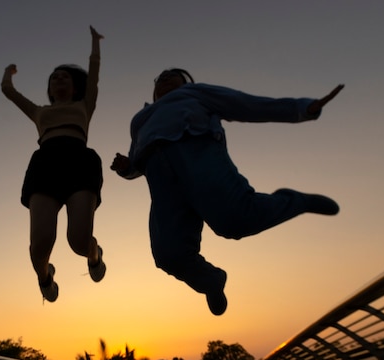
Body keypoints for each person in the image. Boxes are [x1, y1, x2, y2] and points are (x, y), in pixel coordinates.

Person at [111, 68, 344, 316]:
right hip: (160, 179)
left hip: (198, 156)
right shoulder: (139, 119)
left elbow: (244, 104)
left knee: (236, 219)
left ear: (187, 82)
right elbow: (136, 162)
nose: (165, 78)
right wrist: (127, 168)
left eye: (173, 75)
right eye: (160, 78)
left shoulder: (194, 93)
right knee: (169, 254)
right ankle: (211, 282)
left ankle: (296, 202)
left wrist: (302, 108)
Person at [1, 26, 106, 303]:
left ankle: (95, 255)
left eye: (65, 77)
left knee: (79, 242)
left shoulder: (85, 104)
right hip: (45, 165)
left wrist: (95, 44)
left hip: (79, 162)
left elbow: (94, 73)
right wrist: (8, 73)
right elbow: (8, 91)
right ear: (49, 88)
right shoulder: (39, 112)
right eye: (54, 78)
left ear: (74, 86)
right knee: (39, 248)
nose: (59, 79)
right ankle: (45, 277)